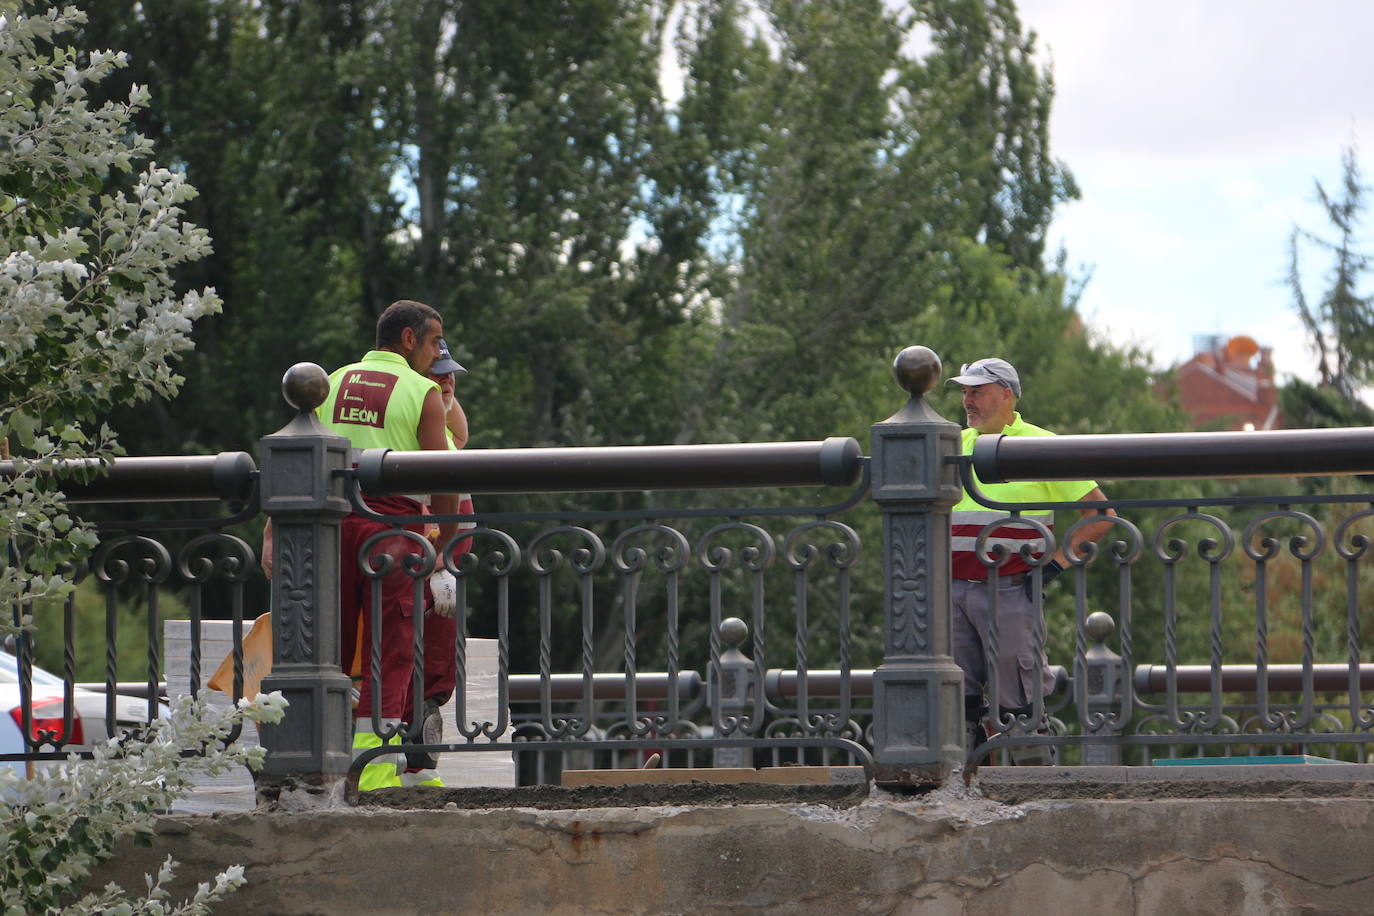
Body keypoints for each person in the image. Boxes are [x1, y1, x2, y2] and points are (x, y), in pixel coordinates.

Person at [318, 299, 460, 790]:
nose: (437, 351)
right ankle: (374, 768)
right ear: (408, 340)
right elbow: (445, 472)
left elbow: (297, 462)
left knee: (328, 651)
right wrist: (443, 544)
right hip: (393, 532)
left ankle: (323, 763)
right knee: (390, 652)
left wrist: (274, 534)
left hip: (328, 530)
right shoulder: (423, 391)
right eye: (435, 340)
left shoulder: (328, 381)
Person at [946, 357, 1116, 765]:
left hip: (1009, 588)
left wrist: (1053, 567)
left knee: (1018, 700)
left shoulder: (1040, 444)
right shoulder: (953, 444)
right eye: (965, 392)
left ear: (1006, 394)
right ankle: (964, 788)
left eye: (978, 391)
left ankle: (1034, 787)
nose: (968, 400)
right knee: (954, 700)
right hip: (950, 590)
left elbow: (1101, 517)